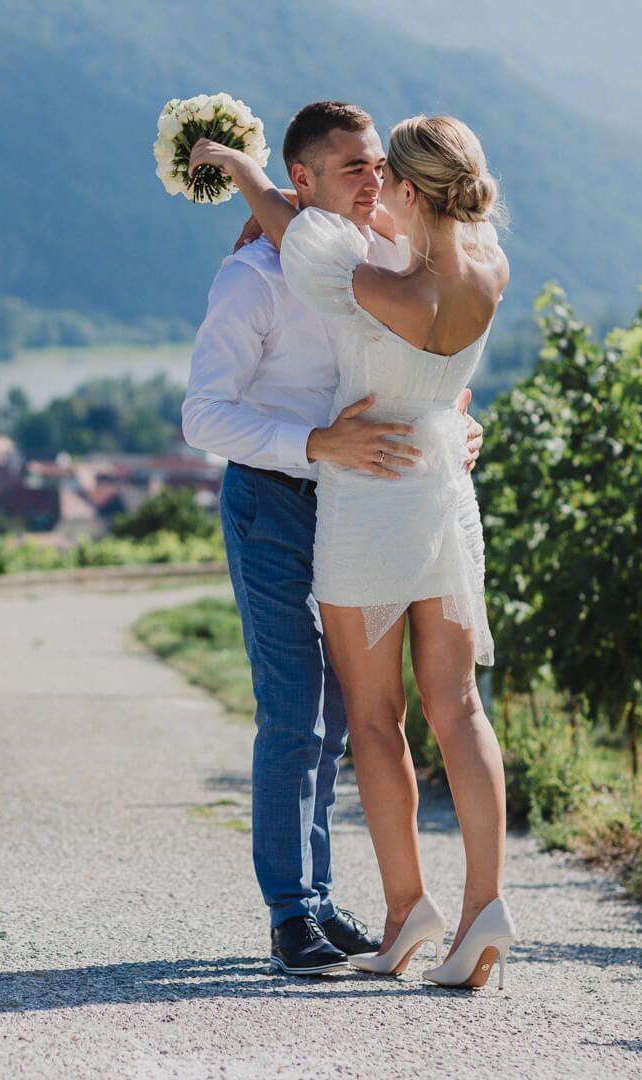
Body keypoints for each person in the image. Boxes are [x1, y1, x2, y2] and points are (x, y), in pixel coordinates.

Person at [190, 112, 516, 990]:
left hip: (370, 509)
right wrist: (438, 416)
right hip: (410, 498)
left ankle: (406, 910)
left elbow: (298, 231)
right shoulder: (480, 259)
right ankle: (456, 908)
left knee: (370, 720)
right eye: (353, 169)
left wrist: (237, 169)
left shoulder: (362, 267)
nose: (371, 186)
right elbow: (206, 415)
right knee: (433, 710)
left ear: (409, 186)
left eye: (381, 170)